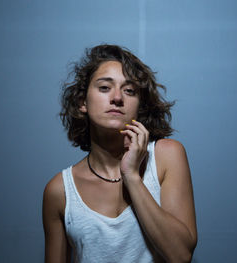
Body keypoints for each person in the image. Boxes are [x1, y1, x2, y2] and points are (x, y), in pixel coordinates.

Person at [43, 44, 197, 263]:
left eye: (129, 90)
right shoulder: (60, 191)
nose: (117, 97)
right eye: (105, 87)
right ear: (82, 103)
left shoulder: (166, 157)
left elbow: (180, 255)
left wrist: (132, 176)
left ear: (139, 106)